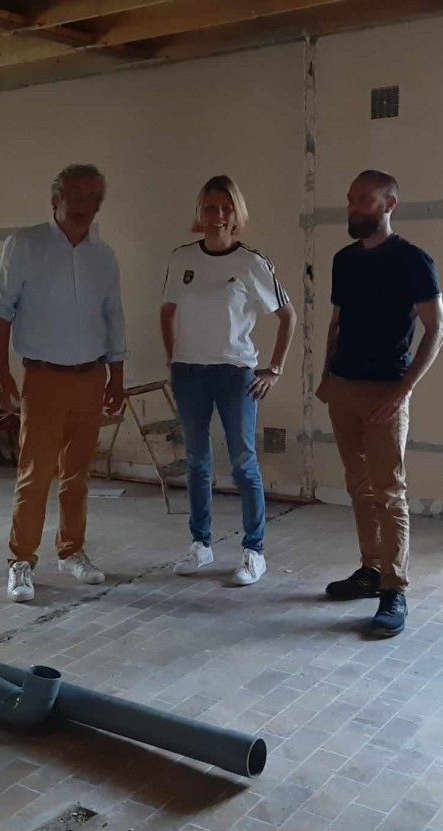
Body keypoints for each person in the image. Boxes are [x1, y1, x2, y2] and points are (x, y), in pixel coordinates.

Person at [316, 169, 443, 637]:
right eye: (351, 199)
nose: (354, 208)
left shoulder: (412, 260)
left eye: (364, 200)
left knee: (389, 492)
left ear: (389, 205)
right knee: (359, 487)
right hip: (344, 388)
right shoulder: (344, 260)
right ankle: (370, 571)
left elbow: (438, 329)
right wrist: (327, 377)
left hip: (386, 392)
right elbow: (337, 323)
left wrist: (402, 390)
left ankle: (394, 589)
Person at [0, 163, 127, 602]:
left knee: (78, 475)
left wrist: (117, 377)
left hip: (91, 377)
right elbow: (0, 310)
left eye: (94, 198)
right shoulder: (24, 245)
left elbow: (114, 316)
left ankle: (72, 551)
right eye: (76, 195)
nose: (85, 205)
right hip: (43, 378)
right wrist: (0, 370)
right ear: (55, 199)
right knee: (35, 475)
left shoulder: (103, 257)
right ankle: (21, 561)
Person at [160, 175, 297, 586]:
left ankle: (254, 551)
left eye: (225, 207)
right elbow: (167, 311)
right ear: (199, 212)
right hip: (189, 373)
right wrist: (172, 361)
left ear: (236, 214)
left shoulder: (252, 263)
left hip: (235, 374)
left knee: (243, 463)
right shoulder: (182, 258)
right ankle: (200, 544)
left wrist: (274, 368)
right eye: (210, 207)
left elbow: (287, 316)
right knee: (197, 462)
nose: (217, 215)